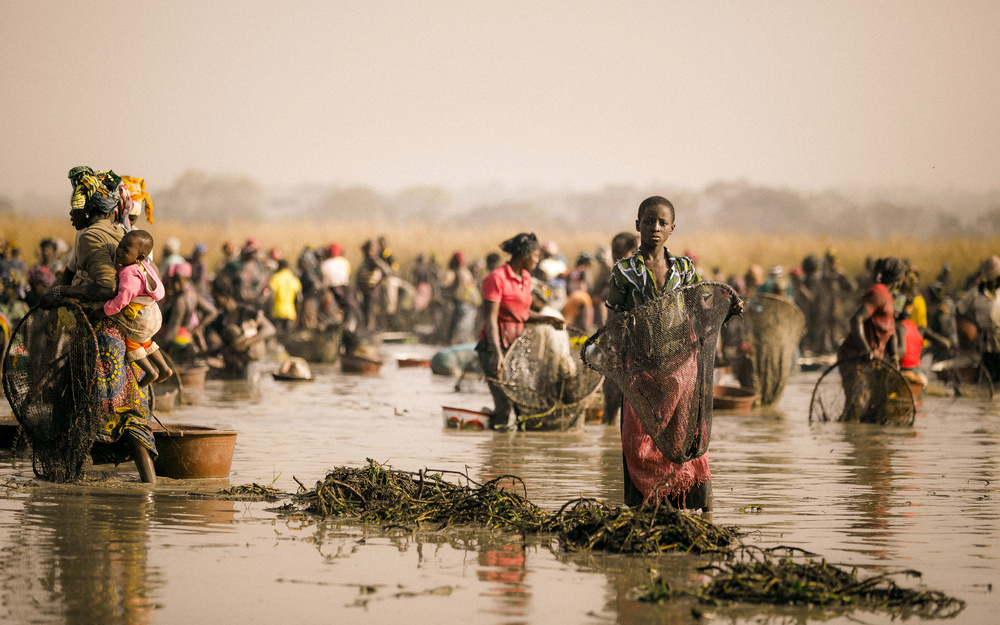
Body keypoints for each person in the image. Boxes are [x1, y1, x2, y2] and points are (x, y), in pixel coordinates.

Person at [605, 196, 725, 511]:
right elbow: (614, 319)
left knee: (685, 435)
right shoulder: (624, 271)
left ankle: (695, 502)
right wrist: (614, 358)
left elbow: (701, 308)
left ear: (672, 228)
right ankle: (644, 504)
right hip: (639, 367)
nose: (654, 228)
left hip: (681, 366)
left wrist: (728, 308)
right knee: (637, 441)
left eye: (662, 223)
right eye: (648, 222)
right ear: (638, 226)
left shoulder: (684, 269)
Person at [41, 166, 158, 483]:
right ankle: (150, 488)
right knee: (125, 406)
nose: (70, 214)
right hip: (116, 334)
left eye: (74, 208)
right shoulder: (119, 232)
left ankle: (70, 481)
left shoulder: (91, 235)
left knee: (83, 403)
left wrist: (63, 292)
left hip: (98, 336)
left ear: (89, 209)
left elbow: (107, 287)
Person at [477, 233, 564, 429]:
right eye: (535, 256)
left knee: (522, 406)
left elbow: (522, 313)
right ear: (523, 255)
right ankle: (497, 453)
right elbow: (491, 318)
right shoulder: (496, 279)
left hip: (516, 351)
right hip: (493, 349)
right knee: (504, 407)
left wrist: (548, 319)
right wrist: (496, 353)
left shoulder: (525, 278)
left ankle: (516, 456)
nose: (537, 260)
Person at [102, 230, 173, 386]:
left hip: (141, 317)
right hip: (152, 314)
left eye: (125, 250)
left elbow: (122, 299)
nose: (119, 251)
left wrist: (105, 309)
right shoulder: (144, 266)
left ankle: (151, 372)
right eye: (119, 246)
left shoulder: (129, 273)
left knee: (132, 342)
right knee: (145, 340)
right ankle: (164, 368)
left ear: (139, 257)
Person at [600, 231, 639, 426]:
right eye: (614, 253)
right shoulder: (615, 273)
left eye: (620, 254)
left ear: (634, 251)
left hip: (633, 352)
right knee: (610, 404)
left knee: (633, 410)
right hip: (613, 349)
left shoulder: (640, 276)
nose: (616, 258)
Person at [956, 255, 1000, 383]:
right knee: (987, 375)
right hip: (984, 344)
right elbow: (960, 310)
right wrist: (969, 327)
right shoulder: (975, 294)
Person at [267, 258, 302, 332]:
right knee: (288, 337)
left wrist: (269, 310)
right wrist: (298, 314)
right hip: (290, 312)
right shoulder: (294, 279)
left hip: (277, 311)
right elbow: (299, 299)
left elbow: (271, 296)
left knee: (277, 335)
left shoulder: (275, 277)